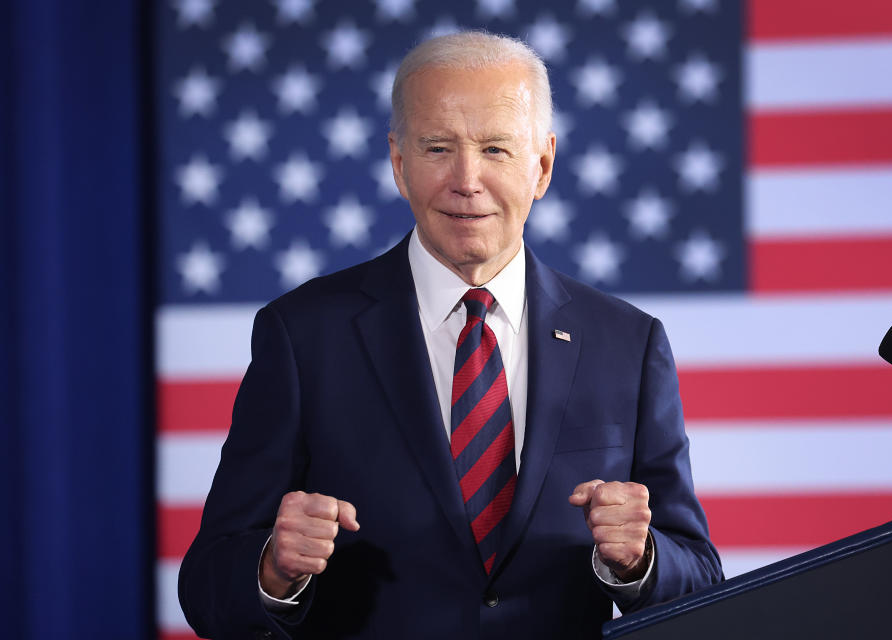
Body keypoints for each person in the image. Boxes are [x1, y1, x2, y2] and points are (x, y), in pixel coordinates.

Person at [178, 31, 722, 640]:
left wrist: (640, 560)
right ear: (399, 164)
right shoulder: (302, 335)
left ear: (541, 166)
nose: (467, 180)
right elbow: (206, 586)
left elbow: (701, 579)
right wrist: (275, 570)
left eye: (495, 149)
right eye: (439, 148)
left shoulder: (628, 343)